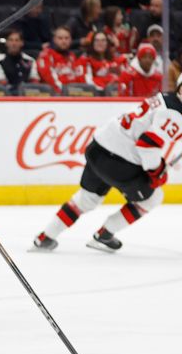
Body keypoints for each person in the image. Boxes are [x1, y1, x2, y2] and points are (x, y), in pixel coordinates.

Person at [32, 75, 182, 253]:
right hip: (119, 160)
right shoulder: (175, 113)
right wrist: (156, 171)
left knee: (87, 199)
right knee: (153, 197)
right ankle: (105, 233)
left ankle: (46, 236)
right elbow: (147, 144)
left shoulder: (163, 98)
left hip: (98, 148)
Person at [36, 26, 85, 94]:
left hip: (75, 94)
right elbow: (49, 79)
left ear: (71, 40)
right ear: (54, 39)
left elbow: (80, 77)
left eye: (66, 38)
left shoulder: (72, 56)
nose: (64, 41)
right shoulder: (45, 55)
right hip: (57, 97)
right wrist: (65, 92)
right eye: (60, 38)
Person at [0, 28, 39, 94]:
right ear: (6, 43)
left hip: (27, 94)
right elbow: (1, 82)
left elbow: (34, 80)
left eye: (17, 40)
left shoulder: (30, 60)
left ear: (22, 43)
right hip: (7, 95)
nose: (14, 43)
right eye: (11, 40)